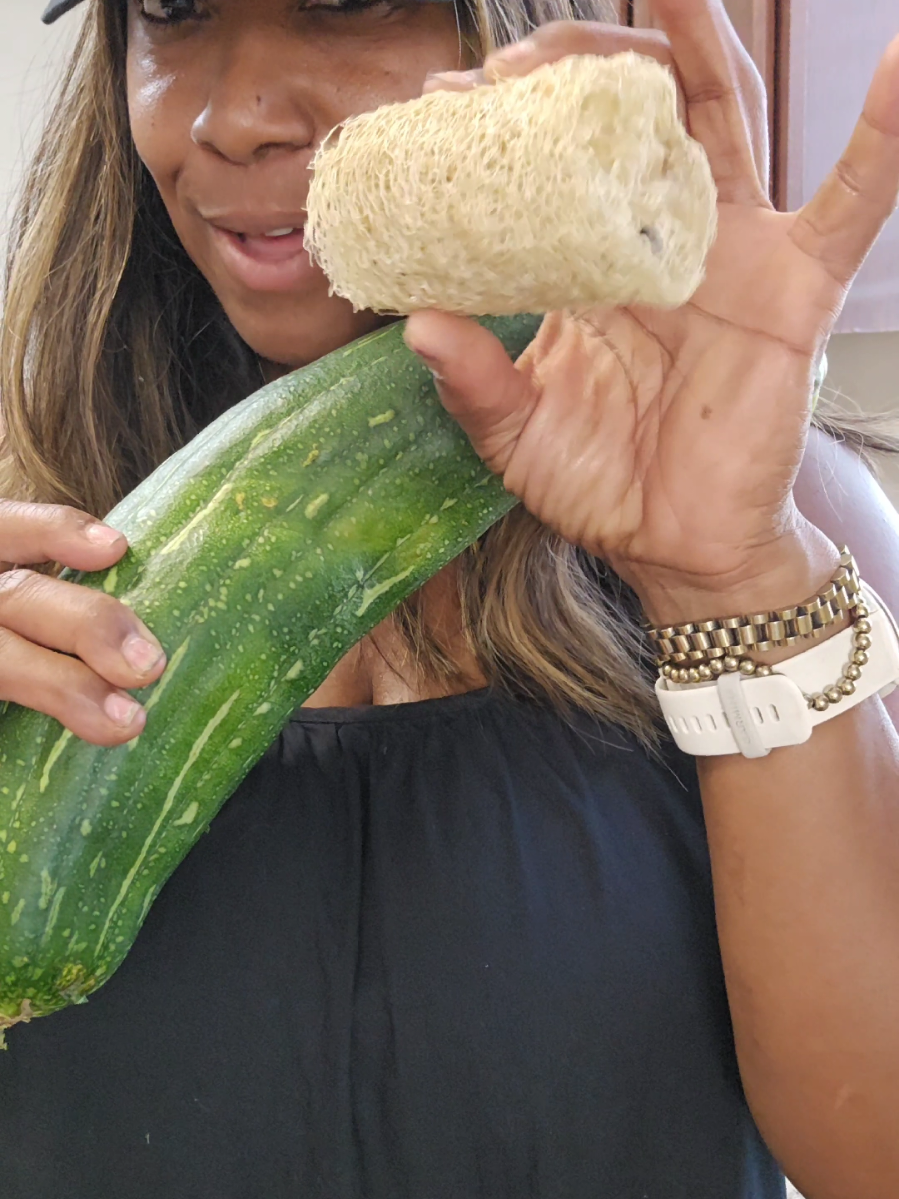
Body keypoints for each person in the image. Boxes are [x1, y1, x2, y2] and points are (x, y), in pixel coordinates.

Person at [0, 0, 898, 1195]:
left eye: (342, 3)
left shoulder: (791, 523)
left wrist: (727, 579)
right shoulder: (19, 524)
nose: (231, 116)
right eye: (172, 8)